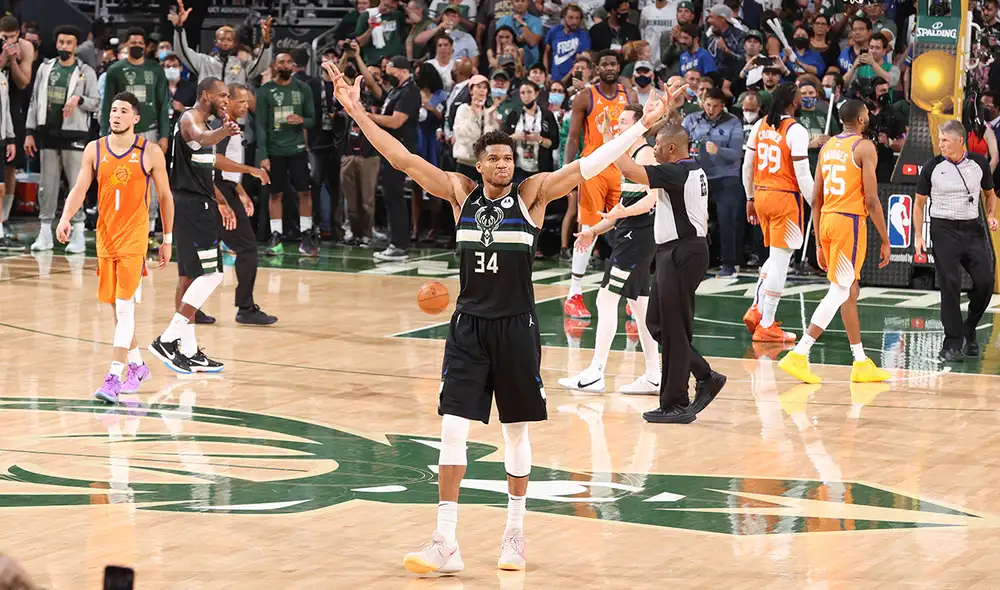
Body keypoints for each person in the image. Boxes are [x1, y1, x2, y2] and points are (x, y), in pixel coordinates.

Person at [325, 60, 682, 574]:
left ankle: (514, 533)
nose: (503, 166)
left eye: (508, 159)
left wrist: (642, 126)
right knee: (453, 429)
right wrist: (357, 112)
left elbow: (587, 165)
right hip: (467, 328)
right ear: (478, 165)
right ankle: (445, 541)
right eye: (493, 159)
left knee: (515, 433)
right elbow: (402, 159)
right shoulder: (459, 193)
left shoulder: (532, 195)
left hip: (517, 326)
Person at [53, 91, 175, 402]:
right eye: (114, 110)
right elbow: (80, 187)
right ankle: (138, 366)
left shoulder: (149, 152)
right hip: (105, 237)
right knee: (115, 309)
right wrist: (65, 217)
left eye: (123, 111)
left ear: (136, 118)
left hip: (134, 238)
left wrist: (167, 238)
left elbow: (165, 197)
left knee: (124, 308)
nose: (116, 115)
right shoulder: (94, 149)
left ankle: (113, 377)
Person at [603, 123, 727, 423]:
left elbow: (630, 170)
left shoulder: (676, 172)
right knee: (657, 324)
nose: (653, 149)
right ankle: (705, 375)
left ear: (672, 148)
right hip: (678, 252)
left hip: (682, 252)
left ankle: (677, 403)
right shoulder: (690, 168)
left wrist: (611, 141)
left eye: (657, 145)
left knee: (673, 328)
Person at [777, 99, 892, 384]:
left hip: (827, 220)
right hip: (848, 222)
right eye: (867, 114)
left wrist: (817, 242)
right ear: (861, 119)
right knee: (840, 291)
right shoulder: (864, 147)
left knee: (850, 291)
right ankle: (799, 354)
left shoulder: (827, 146)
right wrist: (886, 239)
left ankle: (860, 362)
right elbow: (871, 200)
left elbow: (816, 198)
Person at [559, 104, 661, 394]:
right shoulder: (631, 156)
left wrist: (623, 214)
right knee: (640, 307)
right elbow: (622, 207)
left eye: (624, 122)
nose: (619, 126)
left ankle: (596, 372)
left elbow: (652, 199)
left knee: (606, 299)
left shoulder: (646, 154)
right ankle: (654, 375)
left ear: (639, 124)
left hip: (637, 237)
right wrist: (593, 230)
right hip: (633, 234)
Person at [148, 77, 241, 374]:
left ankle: (188, 350)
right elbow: (200, 137)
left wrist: (221, 201)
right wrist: (223, 132)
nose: (226, 100)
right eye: (222, 95)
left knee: (189, 277)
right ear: (206, 95)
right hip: (191, 206)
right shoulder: (190, 119)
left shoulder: (205, 122)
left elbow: (203, 172)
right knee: (213, 274)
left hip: (192, 202)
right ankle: (167, 339)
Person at [913, 121, 999, 362]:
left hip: (973, 228)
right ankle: (951, 343)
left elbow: (990, 194)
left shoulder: (979, 163)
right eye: (940, 139)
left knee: (985, 282)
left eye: (945, 140)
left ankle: (969, 328)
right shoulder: (932, 166)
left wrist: (991, 215)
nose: (940, 144)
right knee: (950, 283)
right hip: (943, 229)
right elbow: (919, 204)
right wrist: (919, 236)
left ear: (960, 141)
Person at [563, 50, 637, 319]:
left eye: (613, 63)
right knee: (588, 229)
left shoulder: (629, 95)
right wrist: (568, 174)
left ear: (618, 67)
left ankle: (631, 294)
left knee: (627, 228)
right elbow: (573, 137)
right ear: (596, 68)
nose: (609, 67)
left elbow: (638, 132)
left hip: (622, 169)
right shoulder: (585, 96)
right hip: (593, 169)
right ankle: (574, 293)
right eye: (604, 64)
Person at [742, 83, 813, 343]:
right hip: (784, 197)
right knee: (782, 263)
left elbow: (747, 166)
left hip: (761, 195)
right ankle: (767, 324)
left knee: (775, 256)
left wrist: (749, 197)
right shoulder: (796, 130)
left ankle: (757, 308)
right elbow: (802, 175)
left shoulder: (760, 125)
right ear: (793, 102)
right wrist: (816, 203)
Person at [22, 26, 96, 254]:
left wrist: (79, 99)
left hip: (75, 135)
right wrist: (29, 132)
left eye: (69, 42)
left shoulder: (86, 71)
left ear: (76, 45)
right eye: (61, 42)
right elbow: (34, 100)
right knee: (48, 186)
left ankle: (77, 233)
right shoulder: (45, 68)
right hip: (48, 133)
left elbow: (95, 102)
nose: (64, 46)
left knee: (76, 185)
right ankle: (45, 234)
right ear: (56, 44)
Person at [101, 27, 171, 252]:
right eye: (133, 42)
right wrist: (104, 134)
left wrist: (164, 135)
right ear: (126, 45)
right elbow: (107, 105)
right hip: (121, 135)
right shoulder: (115, 70)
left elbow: (163, 105)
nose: (137, 46)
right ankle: (119, 229)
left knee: (149, 183)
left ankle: (148, 231)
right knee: (120, 180)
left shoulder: (155, 70)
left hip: (149, 132)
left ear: (146, 46)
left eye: (141, 42)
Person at [213, 83, 277, 325]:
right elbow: (215, 160)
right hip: (217, 190)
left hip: (226, 188)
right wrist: (251, 171)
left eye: (247, 102)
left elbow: (226, 167)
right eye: (240, 101)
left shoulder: (232, 125)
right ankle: (246, 308)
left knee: (206, 251)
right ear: (227, 100)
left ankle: (191, 309)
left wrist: (240, 190)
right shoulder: (223, 126)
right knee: (247, 248)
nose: (245, 106)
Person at [256, 51, 318, 257]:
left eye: (289, 62)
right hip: (274, 150)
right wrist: (263, 155)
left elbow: (312, 119)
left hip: (298, 149)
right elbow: (261, 125)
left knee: (305, 192)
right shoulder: (265, 91)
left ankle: (306, 234)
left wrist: (302, 120)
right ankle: (276, 236)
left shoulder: (303, 88)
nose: (285, 65)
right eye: (281, 62)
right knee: (275, 194)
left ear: (293, 65)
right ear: (274, 65)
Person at [682, 87, 744, 277]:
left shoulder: (733, 122)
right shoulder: (691, 120)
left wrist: (719, 151)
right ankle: (693, 262)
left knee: (727, 222)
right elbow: (680, 142)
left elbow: (737, 154)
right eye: (708, 105)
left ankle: (729, 264)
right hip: (697, 177)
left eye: (715, 106)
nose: (711, 109)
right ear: (703, 103)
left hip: (726, 178)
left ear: (722, 105)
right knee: (694, 221)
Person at [368, 56, 422, 261]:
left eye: (391, 71)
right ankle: (396, 241)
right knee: (391, 196)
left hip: (401, 149)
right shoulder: (396, 90)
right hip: (390, 149)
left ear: (402, 71)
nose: (387, 74)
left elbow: (396, 121)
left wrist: (368, 117)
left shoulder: (410, 92)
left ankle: (399, 245)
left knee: (395, 196)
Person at [169, 0, 274, 85]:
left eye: (229, 40)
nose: (225, 42)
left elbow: (262, 65)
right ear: (216, 42)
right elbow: (182, 52)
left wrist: (266, 44)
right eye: (222, 39)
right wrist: (179, 28)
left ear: (234, 43)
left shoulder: (242, 65)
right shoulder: (204, 62)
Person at [0, 15, 35, 233]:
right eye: (4, 37)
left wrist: (13, 61)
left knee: (10, 163)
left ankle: (4, 217)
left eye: (13, 37)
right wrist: (4, 56)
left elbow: (23, 83)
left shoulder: (26, 47)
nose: (9, 41)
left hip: (13, 104)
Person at [503, 81, 560, 183]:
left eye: (529, 92)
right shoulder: (514, 114)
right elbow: (504, 139)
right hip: (519, 168)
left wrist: (538, 139)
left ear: (536, 93)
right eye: (522, 93)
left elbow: (554, 144)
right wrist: (514, 137)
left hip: (541, 167)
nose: (526, 96)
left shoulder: (547, 116)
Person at [544, 4, 590, 85]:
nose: (574, 22)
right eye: (570, 18)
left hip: (572, 81)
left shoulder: (583, 36)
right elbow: (546, 53)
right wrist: (546, 74)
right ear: (564, 17)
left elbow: (580, 62)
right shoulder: (554, 31)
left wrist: (564, 81)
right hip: (553, 79)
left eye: (577, 18)